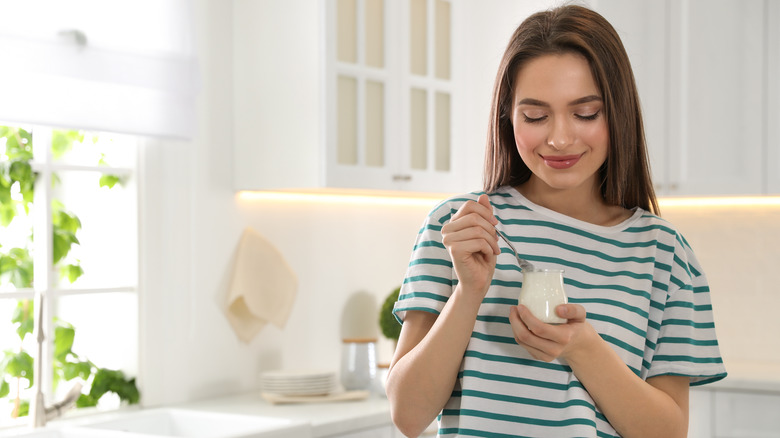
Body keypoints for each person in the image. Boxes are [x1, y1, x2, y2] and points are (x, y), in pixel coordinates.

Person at [385, 4, 727, 438]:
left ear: (617, 113)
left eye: (585, 113)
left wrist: (583, 348)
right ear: (507, 115)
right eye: (535, 116)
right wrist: (468, 292)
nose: (560, 137)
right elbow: (408, 416)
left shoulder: (665, 255)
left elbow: (668, 432)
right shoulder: (458, 228)